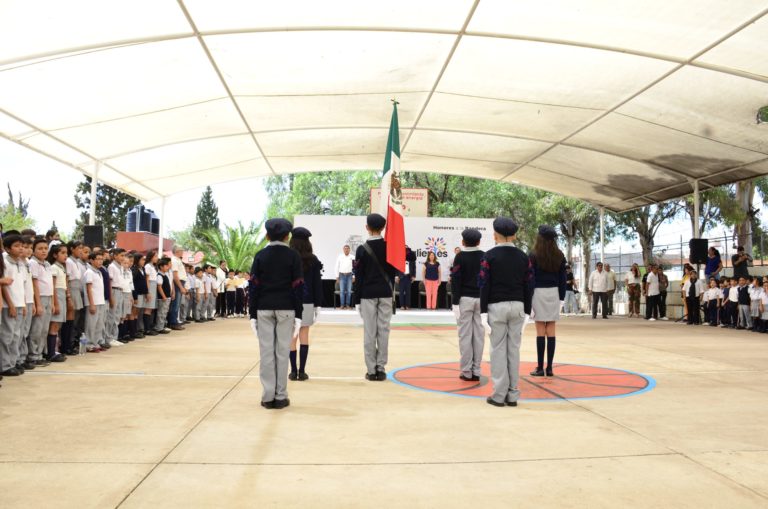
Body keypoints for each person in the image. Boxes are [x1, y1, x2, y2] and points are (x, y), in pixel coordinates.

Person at [249, 218, 304, 409]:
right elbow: (298, 287)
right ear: (287, 236)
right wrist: (299, 314)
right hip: (287, 309)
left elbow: (253, 286)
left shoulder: (260, 256)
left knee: (266, 353)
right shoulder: (293, 256)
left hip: (263, 308)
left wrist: (252, 314)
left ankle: (267, 396)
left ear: (267, 235)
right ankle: (281, 396)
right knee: (282, 352)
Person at [479, 217, 531, 408]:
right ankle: (513, 394)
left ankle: (499, 394)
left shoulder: (489, 256)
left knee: (498, 350)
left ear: (495, 235)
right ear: (515, 235)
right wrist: (527, 311)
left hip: (496, 306)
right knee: (514, 350)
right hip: (518, 305)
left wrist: (483, 312)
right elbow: (529, 284)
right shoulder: (523, 257)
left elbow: (484, 285)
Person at [354, 213, 398, 382]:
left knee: (369, 332)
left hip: (367, 295)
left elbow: (359, 277)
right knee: (384, 331)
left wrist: (356, 300)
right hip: (386, 293)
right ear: (383, 228)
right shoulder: (390, 247)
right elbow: (394, 270)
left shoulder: (361, 249)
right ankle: (381, 367)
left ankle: (371, 370)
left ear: (367, 227)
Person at [529, 225, 566, 378]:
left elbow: (530, 278)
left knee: (540, 332)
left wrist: (528, 298)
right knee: (551, 331)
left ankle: (539, 367)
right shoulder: (559, 255)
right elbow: (562, 279)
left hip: (538, 292)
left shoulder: (533, 254)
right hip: (554, 292)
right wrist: (561, 299)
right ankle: (550, 368)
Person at [450, 228, 485, 382]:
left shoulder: (460, 257)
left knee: (465, 336)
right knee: (479, 336)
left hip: (464, 299)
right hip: (481, 299)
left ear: (463, 242)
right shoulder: (485, 256)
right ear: (479, 242)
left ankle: (466, 371)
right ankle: (476, 370)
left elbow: (456, 281)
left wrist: (454, 302)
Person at [288, 227, 323, 381]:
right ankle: (302, 371)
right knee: (304, 336)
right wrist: (318, 304)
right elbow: (316, 283)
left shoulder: (288, 257)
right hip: (308, 301)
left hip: (290, 301)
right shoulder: (313, 260)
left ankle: (293, 371)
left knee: (292, 337)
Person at [1, 234, 27, 376]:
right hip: (8, 305)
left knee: (16, 335)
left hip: (19, 303)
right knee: (7, 336)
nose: (21, 249)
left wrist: (22, 304)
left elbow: (21, 286)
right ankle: (5, 365)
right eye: (17, 246)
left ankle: (13, 362)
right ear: (7, 248)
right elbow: (4, 286)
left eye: (22, 246)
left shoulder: (20, 263)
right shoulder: (5, 262)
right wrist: (10, 304)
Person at [46, 243, 68, 362]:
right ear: (54, 255)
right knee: (54, 325)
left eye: (66, 253)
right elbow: (53, 287)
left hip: (62, 295)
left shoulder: (61, 267)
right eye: (62, 253)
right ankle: (50, 352)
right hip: (57, 296)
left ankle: (54, 350)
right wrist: (55, 303)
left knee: (58, 325)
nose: (65, 256)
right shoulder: (54, 267)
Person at [83, 251, 107, 352]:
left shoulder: (99, 272)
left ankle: (96, 343)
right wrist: (91, 304)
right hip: (93, 302)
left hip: (100, 301)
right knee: (91, 325)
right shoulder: (89, 272)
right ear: (91, 260)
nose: (100, 261)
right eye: (97, 259)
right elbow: (89, 289)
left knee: (99, 324)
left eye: (101, 259)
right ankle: (89, 344)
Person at [168, 246, 186, 331]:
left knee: (177, 304)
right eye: (181, 250)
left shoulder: (178, 260)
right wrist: (181, 287)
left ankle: (174, 320)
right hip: (177, 283)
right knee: (175, 304)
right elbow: (175, 275)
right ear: (177, 251)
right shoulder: (174, 260)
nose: (182, 252)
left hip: (181, 282)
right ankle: (173, 322)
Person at [153, 258, 172, 334]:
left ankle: (162, 325)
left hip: (167, 297)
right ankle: (159, 327)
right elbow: (159, 287)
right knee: (161, 313)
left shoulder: (165, 275)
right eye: (166, 266)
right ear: (161, 267)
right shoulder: (159, 276)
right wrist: (163, 296)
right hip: (162, 298)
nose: (168, 267)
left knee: (164, 312)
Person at [143, 251, 159, 336]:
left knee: (151, 308)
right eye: (155, 256)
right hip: (150, 286)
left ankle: (149, 327)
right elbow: (147, 280)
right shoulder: (148, 266)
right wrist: (148, 292)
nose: (157, 258)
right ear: (151, 257)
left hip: (154, 285)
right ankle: (147, 329)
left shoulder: (153, 266)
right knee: (148, 308)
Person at [335, 245, 355, 309]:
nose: (346, 250)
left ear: (349, 250)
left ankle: (347, 305)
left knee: (349, 291)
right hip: (341, 275)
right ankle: (342, 305)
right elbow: (336, 267)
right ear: (343, 250)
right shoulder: (340, 257)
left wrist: (354, 276)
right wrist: (337, 276)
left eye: (347, 249)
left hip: (349, 275)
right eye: (345, 249)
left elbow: (355, 268)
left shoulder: (353, 257)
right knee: (342, 291)